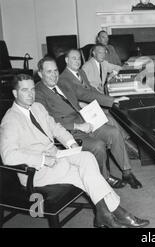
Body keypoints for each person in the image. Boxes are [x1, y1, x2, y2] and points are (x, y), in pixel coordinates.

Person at [0, 74, 149, 228]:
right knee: (81, 173)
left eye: (32, 89)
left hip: (56, 155)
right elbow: (8, 156)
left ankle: (103, 215)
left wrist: (71, 144)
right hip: (35, 170)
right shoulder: (10, 120)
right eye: (25, 90)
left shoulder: (37, 107)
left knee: (87, 158)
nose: (31, 94)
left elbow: (55, 128)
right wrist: (43, 160)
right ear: (15, 93)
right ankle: (116, 213)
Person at [35, 56, 142, 189]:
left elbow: (87, 94)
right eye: (49, 71)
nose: (54, 75)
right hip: (69, 131)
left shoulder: (63, 83)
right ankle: (104, 177)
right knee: (98, 145)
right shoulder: (37, 93)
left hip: (85, 122)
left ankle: (127, 172)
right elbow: (46, 121)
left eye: (56, 70)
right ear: (40, 74)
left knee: (114, 132)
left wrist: (112, 100)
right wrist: (77, 126)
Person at [59, 49, 139, 159]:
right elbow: (78, 98)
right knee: (110, 119)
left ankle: (125, 145)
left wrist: (108, 98)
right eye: (74, 58)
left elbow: (91, 90)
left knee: (114, 116)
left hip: (90, 107)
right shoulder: (63, 79)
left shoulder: (81, 72)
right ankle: (126, 147)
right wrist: (110, 100)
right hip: (80, 115)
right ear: (66, 60)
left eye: (78, 58)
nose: (77, 61)